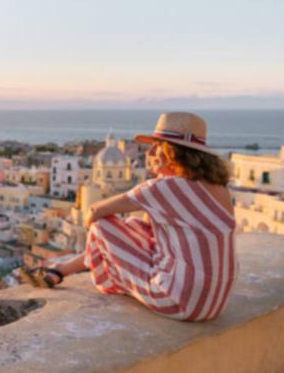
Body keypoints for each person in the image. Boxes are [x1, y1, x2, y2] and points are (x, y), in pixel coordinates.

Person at [19, 112, 237, 321]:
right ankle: (59, 270)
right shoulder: (220, 189)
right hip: (214, 303)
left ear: (172, 153)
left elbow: (94, 212)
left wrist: (96, 231)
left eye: (156, 147)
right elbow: (150, 234)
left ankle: (73, 273)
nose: (149, 153)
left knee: (102, 226)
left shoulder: (164, 187)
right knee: (135, 226)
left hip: (178, 301)